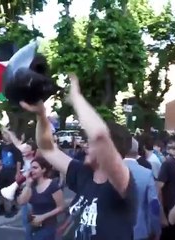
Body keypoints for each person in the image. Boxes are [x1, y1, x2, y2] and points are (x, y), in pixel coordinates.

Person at [20, 73, 136, 239]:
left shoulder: (122, 183)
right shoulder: (83, 172)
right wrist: (41, 115)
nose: (86, 147)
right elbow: (47, 148)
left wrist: (76, 98)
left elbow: (100, 136)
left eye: (91, 144)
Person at [17, 156, 66, 240]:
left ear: (43, 170)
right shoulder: (31, 185)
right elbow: (22, 202)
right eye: (31, 168)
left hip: (48, 225)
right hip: (33, 223)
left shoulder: (52, 186)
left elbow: (61, 207)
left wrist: (43, 216)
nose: (32, 171)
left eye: (35, 168)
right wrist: (28, 185)